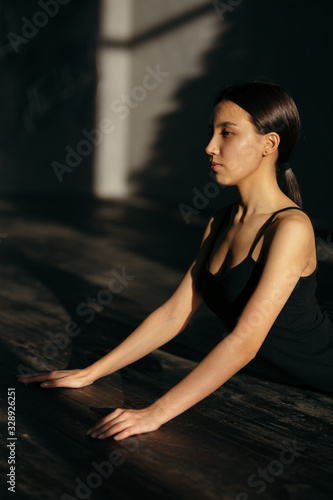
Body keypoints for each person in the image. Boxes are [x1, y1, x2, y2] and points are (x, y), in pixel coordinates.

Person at [17, 81, 333, 442]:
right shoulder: (221, 220)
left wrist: (156, 413)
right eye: (212, 132)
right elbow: (174, 313)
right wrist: (92, 372)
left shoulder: (290, 227)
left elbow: (245, 341)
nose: (210, 146)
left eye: (226, 133)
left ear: (269, 143)